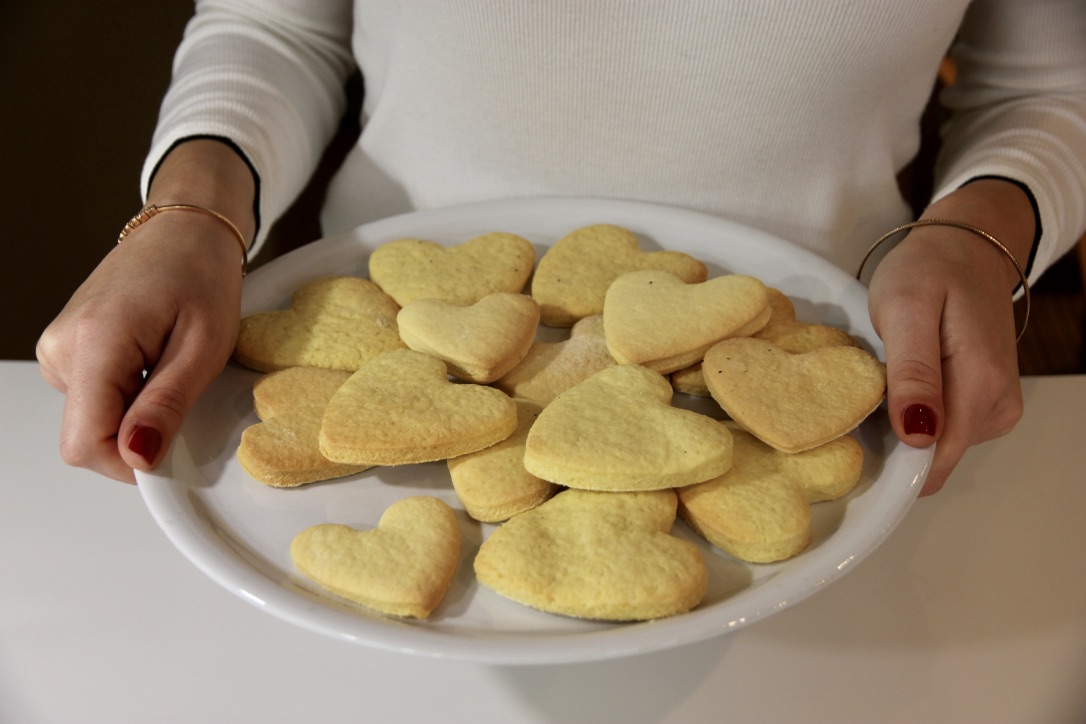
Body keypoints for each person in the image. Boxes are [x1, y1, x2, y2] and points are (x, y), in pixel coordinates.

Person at [36, 1, 1086, 494]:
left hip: (832, 409)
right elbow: (279, 27)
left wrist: (978, 237)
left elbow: (1043, 87)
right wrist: (191, 210)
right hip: (385, 394)